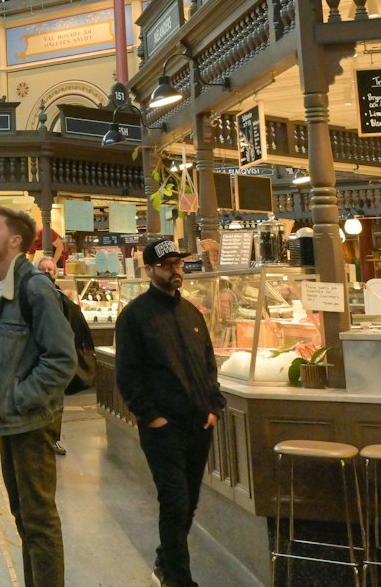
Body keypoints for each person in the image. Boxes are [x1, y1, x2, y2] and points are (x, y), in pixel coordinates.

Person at [0, 206, 76, 586]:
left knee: (39, 521)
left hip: (30, 420)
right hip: (14, 422)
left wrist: (19, 397)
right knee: (24, 516)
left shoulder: (34, 287)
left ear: (15, 241)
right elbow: (2, 339)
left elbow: (62, 359)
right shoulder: (2, 283)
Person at [116, 238, 225, 587]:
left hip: (198, 424)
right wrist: (151, 417)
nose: (175, 270)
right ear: (149, 270)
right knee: (175, 501)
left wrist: (213, 407)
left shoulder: (192, 312)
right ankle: (180, 579)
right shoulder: (134, 316)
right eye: (167, 266)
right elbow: (127, 373)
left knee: (188, 502)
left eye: (178, 264)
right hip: (163, 429)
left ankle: (165, 562)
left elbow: (208, 363)